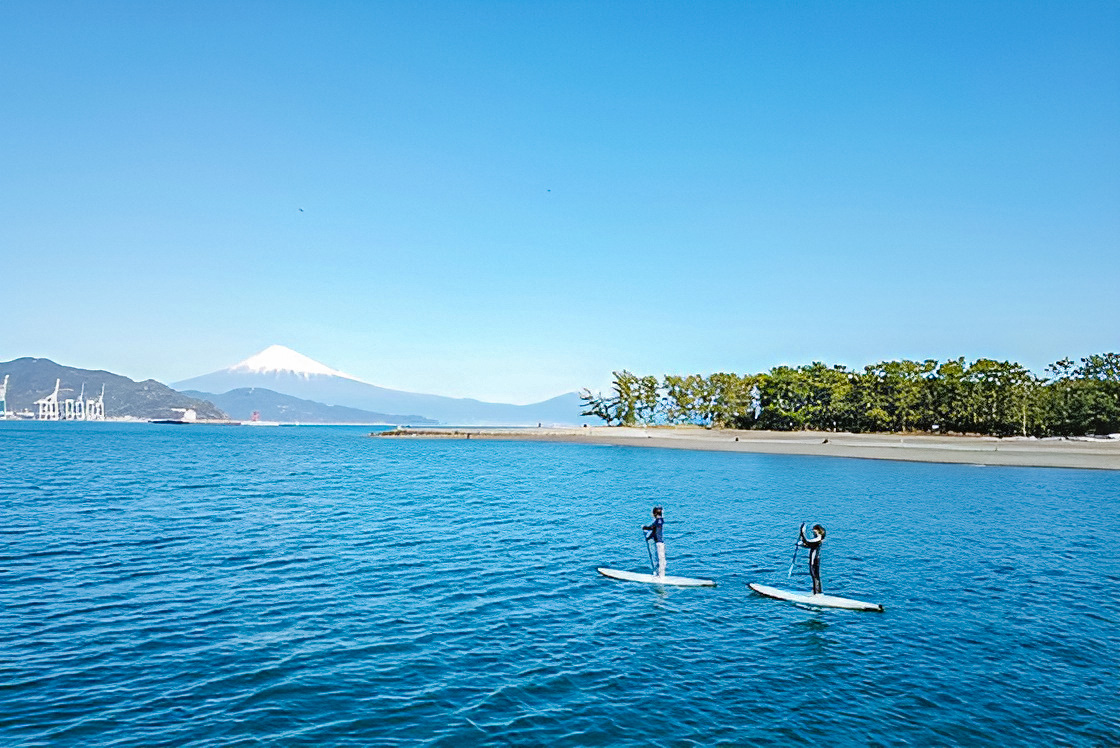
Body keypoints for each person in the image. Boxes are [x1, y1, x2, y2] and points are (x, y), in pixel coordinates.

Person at [799, 523, 826, 594]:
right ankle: (817, 592)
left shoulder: (818, 538)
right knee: (814, 575)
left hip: (814, 560)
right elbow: (808, 544)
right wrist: (801, 543)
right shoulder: (817, 539)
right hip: (814, 559)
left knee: (814, 575)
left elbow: (807, 541)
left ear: (818, 530)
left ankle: (817, 593)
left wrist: (802, 532)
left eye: (814, 531)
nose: (813, 532)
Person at [643, 506, 665, 578]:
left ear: (655, 514)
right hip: (658, 543)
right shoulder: (657, 521)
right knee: (658, 558)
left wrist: (646, 529)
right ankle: (658, 574)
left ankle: (661, 576)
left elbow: (653, 528)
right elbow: (652, 529)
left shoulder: (659, 521)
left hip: (659, 543)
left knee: (661, 559)